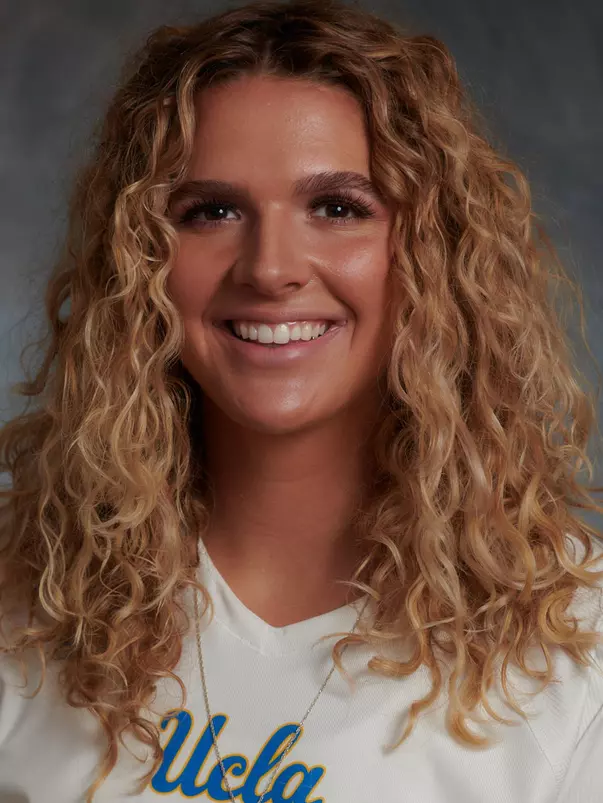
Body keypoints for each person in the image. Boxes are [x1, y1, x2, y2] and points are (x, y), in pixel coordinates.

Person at [1, 0, 602, 800]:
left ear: (434, 253)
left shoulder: (577, 650)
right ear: (137, 259)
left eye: (337, 208)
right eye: (211, 211)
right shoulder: (22, 595)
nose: (270, 267)